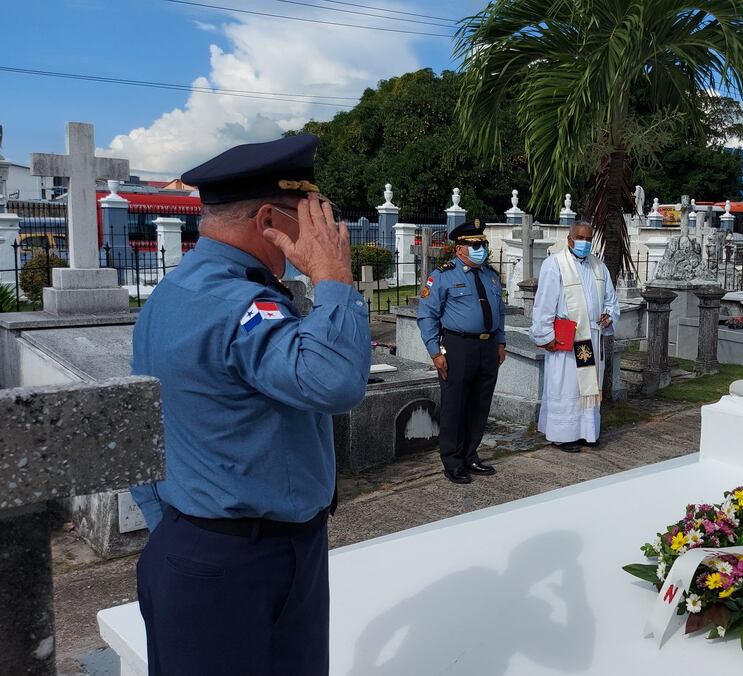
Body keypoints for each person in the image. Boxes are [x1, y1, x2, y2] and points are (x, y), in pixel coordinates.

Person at [129, 134, 370, 676]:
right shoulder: (237, 302)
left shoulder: (176, 291)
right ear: (268, 220)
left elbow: (147, 422)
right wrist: (333, 278)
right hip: (243, 564)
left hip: (203, 548)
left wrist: (174, 526)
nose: (321, 234)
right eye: (309, 218)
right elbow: (336, 384)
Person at [417, 219, 506, 483]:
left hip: (488, 346)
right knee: (455, 404)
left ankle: (470, 454)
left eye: (483, 245)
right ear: (459, 249)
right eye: (475, 245)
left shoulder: (491, 276)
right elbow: (427, 315)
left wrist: (501, 342)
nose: (481, 250)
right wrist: (435, 352)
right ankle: (453, 460)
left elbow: (499, 312)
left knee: (480, 403)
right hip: (458, 346)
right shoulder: (442, 276)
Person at [530, 222, 619, 451]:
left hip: (592, 337)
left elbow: (611, 300)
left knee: (588, 387)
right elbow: (544, 302)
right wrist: (545, 335)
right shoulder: (555, 264)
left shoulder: (599, 267)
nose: (584, 243)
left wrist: (609, 316)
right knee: (566, 386)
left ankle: (586, 432)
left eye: (588, 239)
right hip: (568, 337)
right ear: (569, 239)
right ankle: (562, 435)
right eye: (580, 238)